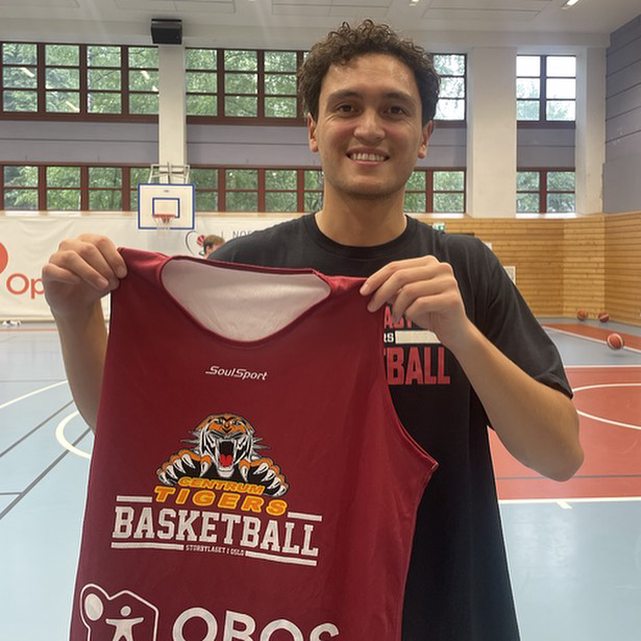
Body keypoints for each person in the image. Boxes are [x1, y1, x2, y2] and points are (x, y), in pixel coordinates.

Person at [42, 20, 583, 641]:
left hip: (446, 609)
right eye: (346, 107)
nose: (370, 128)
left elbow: (559, 455)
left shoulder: (465, 271)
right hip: (290, 614)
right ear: (313, 129)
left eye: (395, 110)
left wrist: (460, 334)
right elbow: (131, 429)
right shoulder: (245, 269)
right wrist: (75, 315)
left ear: (425, 136)